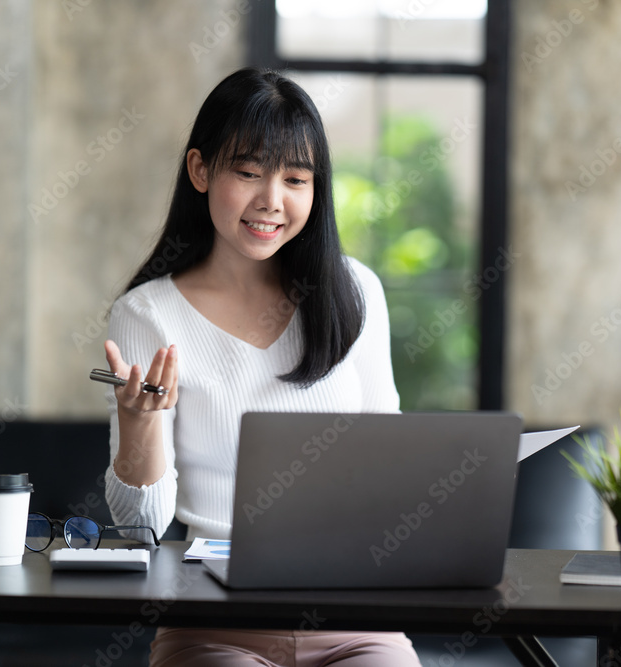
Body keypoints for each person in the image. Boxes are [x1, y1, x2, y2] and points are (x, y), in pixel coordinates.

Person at [101, 68, 421, 666]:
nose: (271, 201)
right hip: (215, 623)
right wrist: (139, 422)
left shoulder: (356, 291)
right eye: (248, 172)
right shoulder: (148, 315)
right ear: (201, 170)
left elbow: (390, 465)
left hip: (353, 619)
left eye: (295, 179)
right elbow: (141, 524)